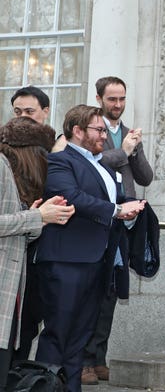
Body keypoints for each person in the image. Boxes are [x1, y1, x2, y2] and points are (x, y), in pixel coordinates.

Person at [35, 104, 146, 392]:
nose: (103, 136)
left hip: (98, 261)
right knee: (58, 333)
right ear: (77, 131)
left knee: (80, 338)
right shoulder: (61, 160)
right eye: (98, 130)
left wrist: (132, 208)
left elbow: (114, 199)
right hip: (66, 261)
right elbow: (71, 197)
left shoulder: (102, 165)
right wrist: (117, 208)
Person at [81, 76, 154, 385]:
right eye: (112, 99)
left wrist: (134, 150)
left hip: (123, 222)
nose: (118, 105)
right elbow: (90, 163)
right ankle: (82, 360)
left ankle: (99, 358)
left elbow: (146, 177)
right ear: (99, 99)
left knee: (111, 290)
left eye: (122, 98)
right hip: (97, 218)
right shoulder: (89, 128)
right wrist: (122, 151)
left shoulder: (127, 133)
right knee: (91, 292)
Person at [0, 117, 75, 391]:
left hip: (10, 298)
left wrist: (39, 218)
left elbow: (16, 225)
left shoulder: (12, 172)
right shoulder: (0, 165)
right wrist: (35, 216)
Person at [9, 87, 56, 363]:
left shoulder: (55, 148)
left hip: (44, 250)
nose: (23, 118)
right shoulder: (5, 150)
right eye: (17, 112)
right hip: (13, 243)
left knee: (29, 323)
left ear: (45, 112)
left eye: (29, 112)